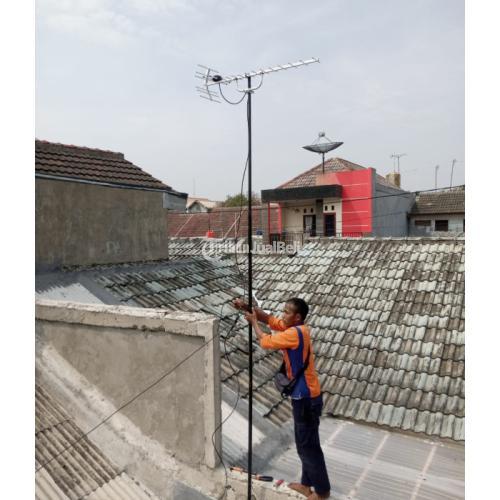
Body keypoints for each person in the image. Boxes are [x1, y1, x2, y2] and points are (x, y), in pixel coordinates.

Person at [232, 297, 331, 500]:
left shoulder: (294, 334)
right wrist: (247, 308)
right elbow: (271, 320)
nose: (283, 315)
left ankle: (322, 492)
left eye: (287, 312)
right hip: (305, 396)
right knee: (305, 442)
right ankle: (306, 485)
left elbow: (266, 341)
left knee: (308, 446)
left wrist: (253, 323)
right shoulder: (297, 328)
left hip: (306, 398)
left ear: (297, 317)